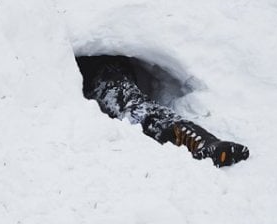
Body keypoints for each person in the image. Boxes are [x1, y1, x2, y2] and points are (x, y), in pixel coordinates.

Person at [78, 56, 249, 167]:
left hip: (103, 71)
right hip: (85, 74)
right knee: (134, 106)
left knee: (134, 107)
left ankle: (202, 141)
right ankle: (198, 140)